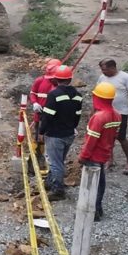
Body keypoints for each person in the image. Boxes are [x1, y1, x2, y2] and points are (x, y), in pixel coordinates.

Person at [78, 82, 122, 222]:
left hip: (93, 156)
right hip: (104, 154)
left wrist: (83, 156)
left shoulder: (98, 117)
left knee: (91, 185)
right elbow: (113, 137)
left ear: (97, 97)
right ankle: (98, 208)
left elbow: (91, 140)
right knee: (100, 182)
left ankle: (92, 211)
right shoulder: (117, 115)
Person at [38, 65, 82, 200]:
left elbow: (47, 116)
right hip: (69, 134)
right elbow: (77, 115)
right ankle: (50, 181)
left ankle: (58, 190)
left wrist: (41, 131)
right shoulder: (78, 96)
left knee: (55, 162)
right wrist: (71, 127)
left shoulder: (54, 94)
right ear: (70, 79)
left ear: (56, 79)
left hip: (55, 135)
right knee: (59, 160)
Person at [96, 58, 128, 174]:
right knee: (107, 137)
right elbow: (97, 94)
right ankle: (110, 159)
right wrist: (94, 110)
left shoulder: (125, 77)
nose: (103, 72)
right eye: (102, 70)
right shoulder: (102, 78)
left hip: (121, 113)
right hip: (105, 113)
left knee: (121, 137)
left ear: (112, 67)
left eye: (105, 70)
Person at [29, 58, 61, 173]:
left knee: (50, 140)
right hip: (40, 115)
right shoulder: (39, 81)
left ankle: (50, 164)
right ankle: (37, 160)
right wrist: (35, 103)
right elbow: (33, 93)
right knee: (38, 138)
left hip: (53, 118)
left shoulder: (60, 85)